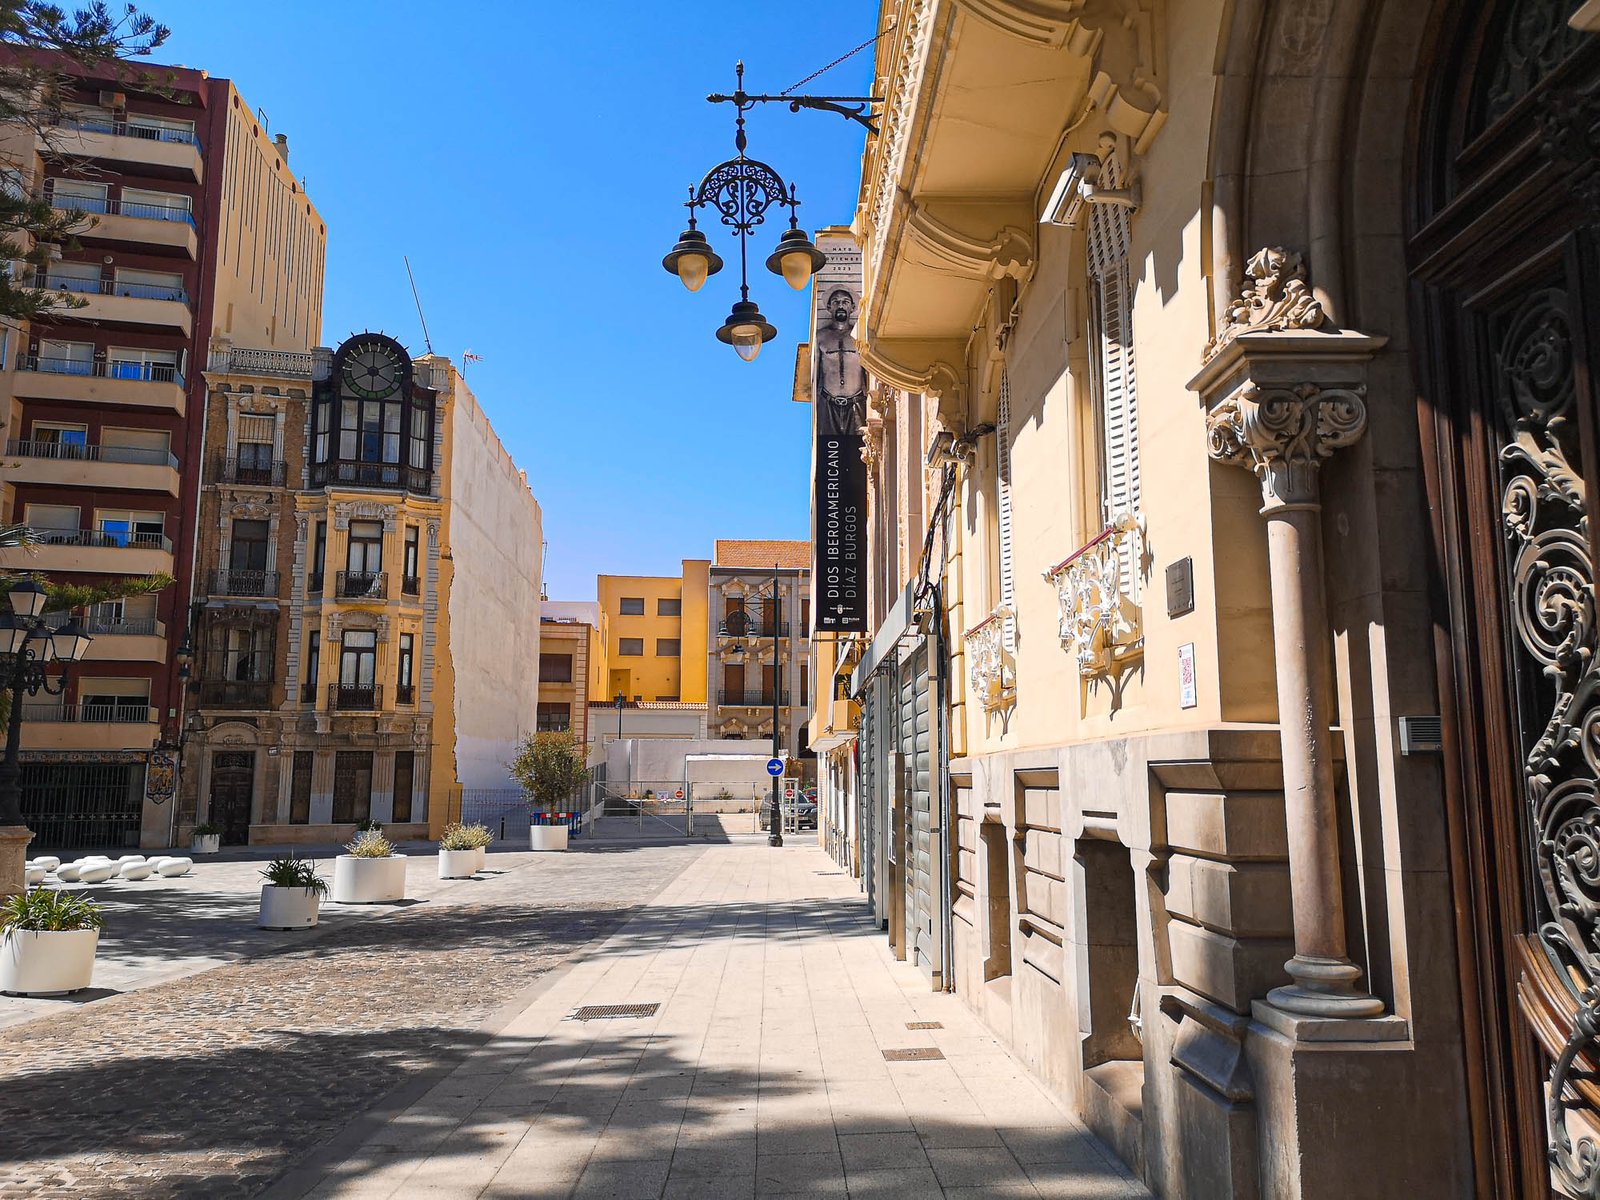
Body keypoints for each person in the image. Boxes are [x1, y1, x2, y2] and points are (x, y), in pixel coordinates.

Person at [816, 287, 868, 436]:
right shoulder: (820, 337)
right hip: (828, 403)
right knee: (828, 449)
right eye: (836, 302)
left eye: (845, 302)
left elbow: (869, 371)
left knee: (861, 449)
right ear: (829, 307)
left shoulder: (859, 336)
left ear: (852, 307)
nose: (840, 305)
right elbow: (814, 373)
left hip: (856, 403)